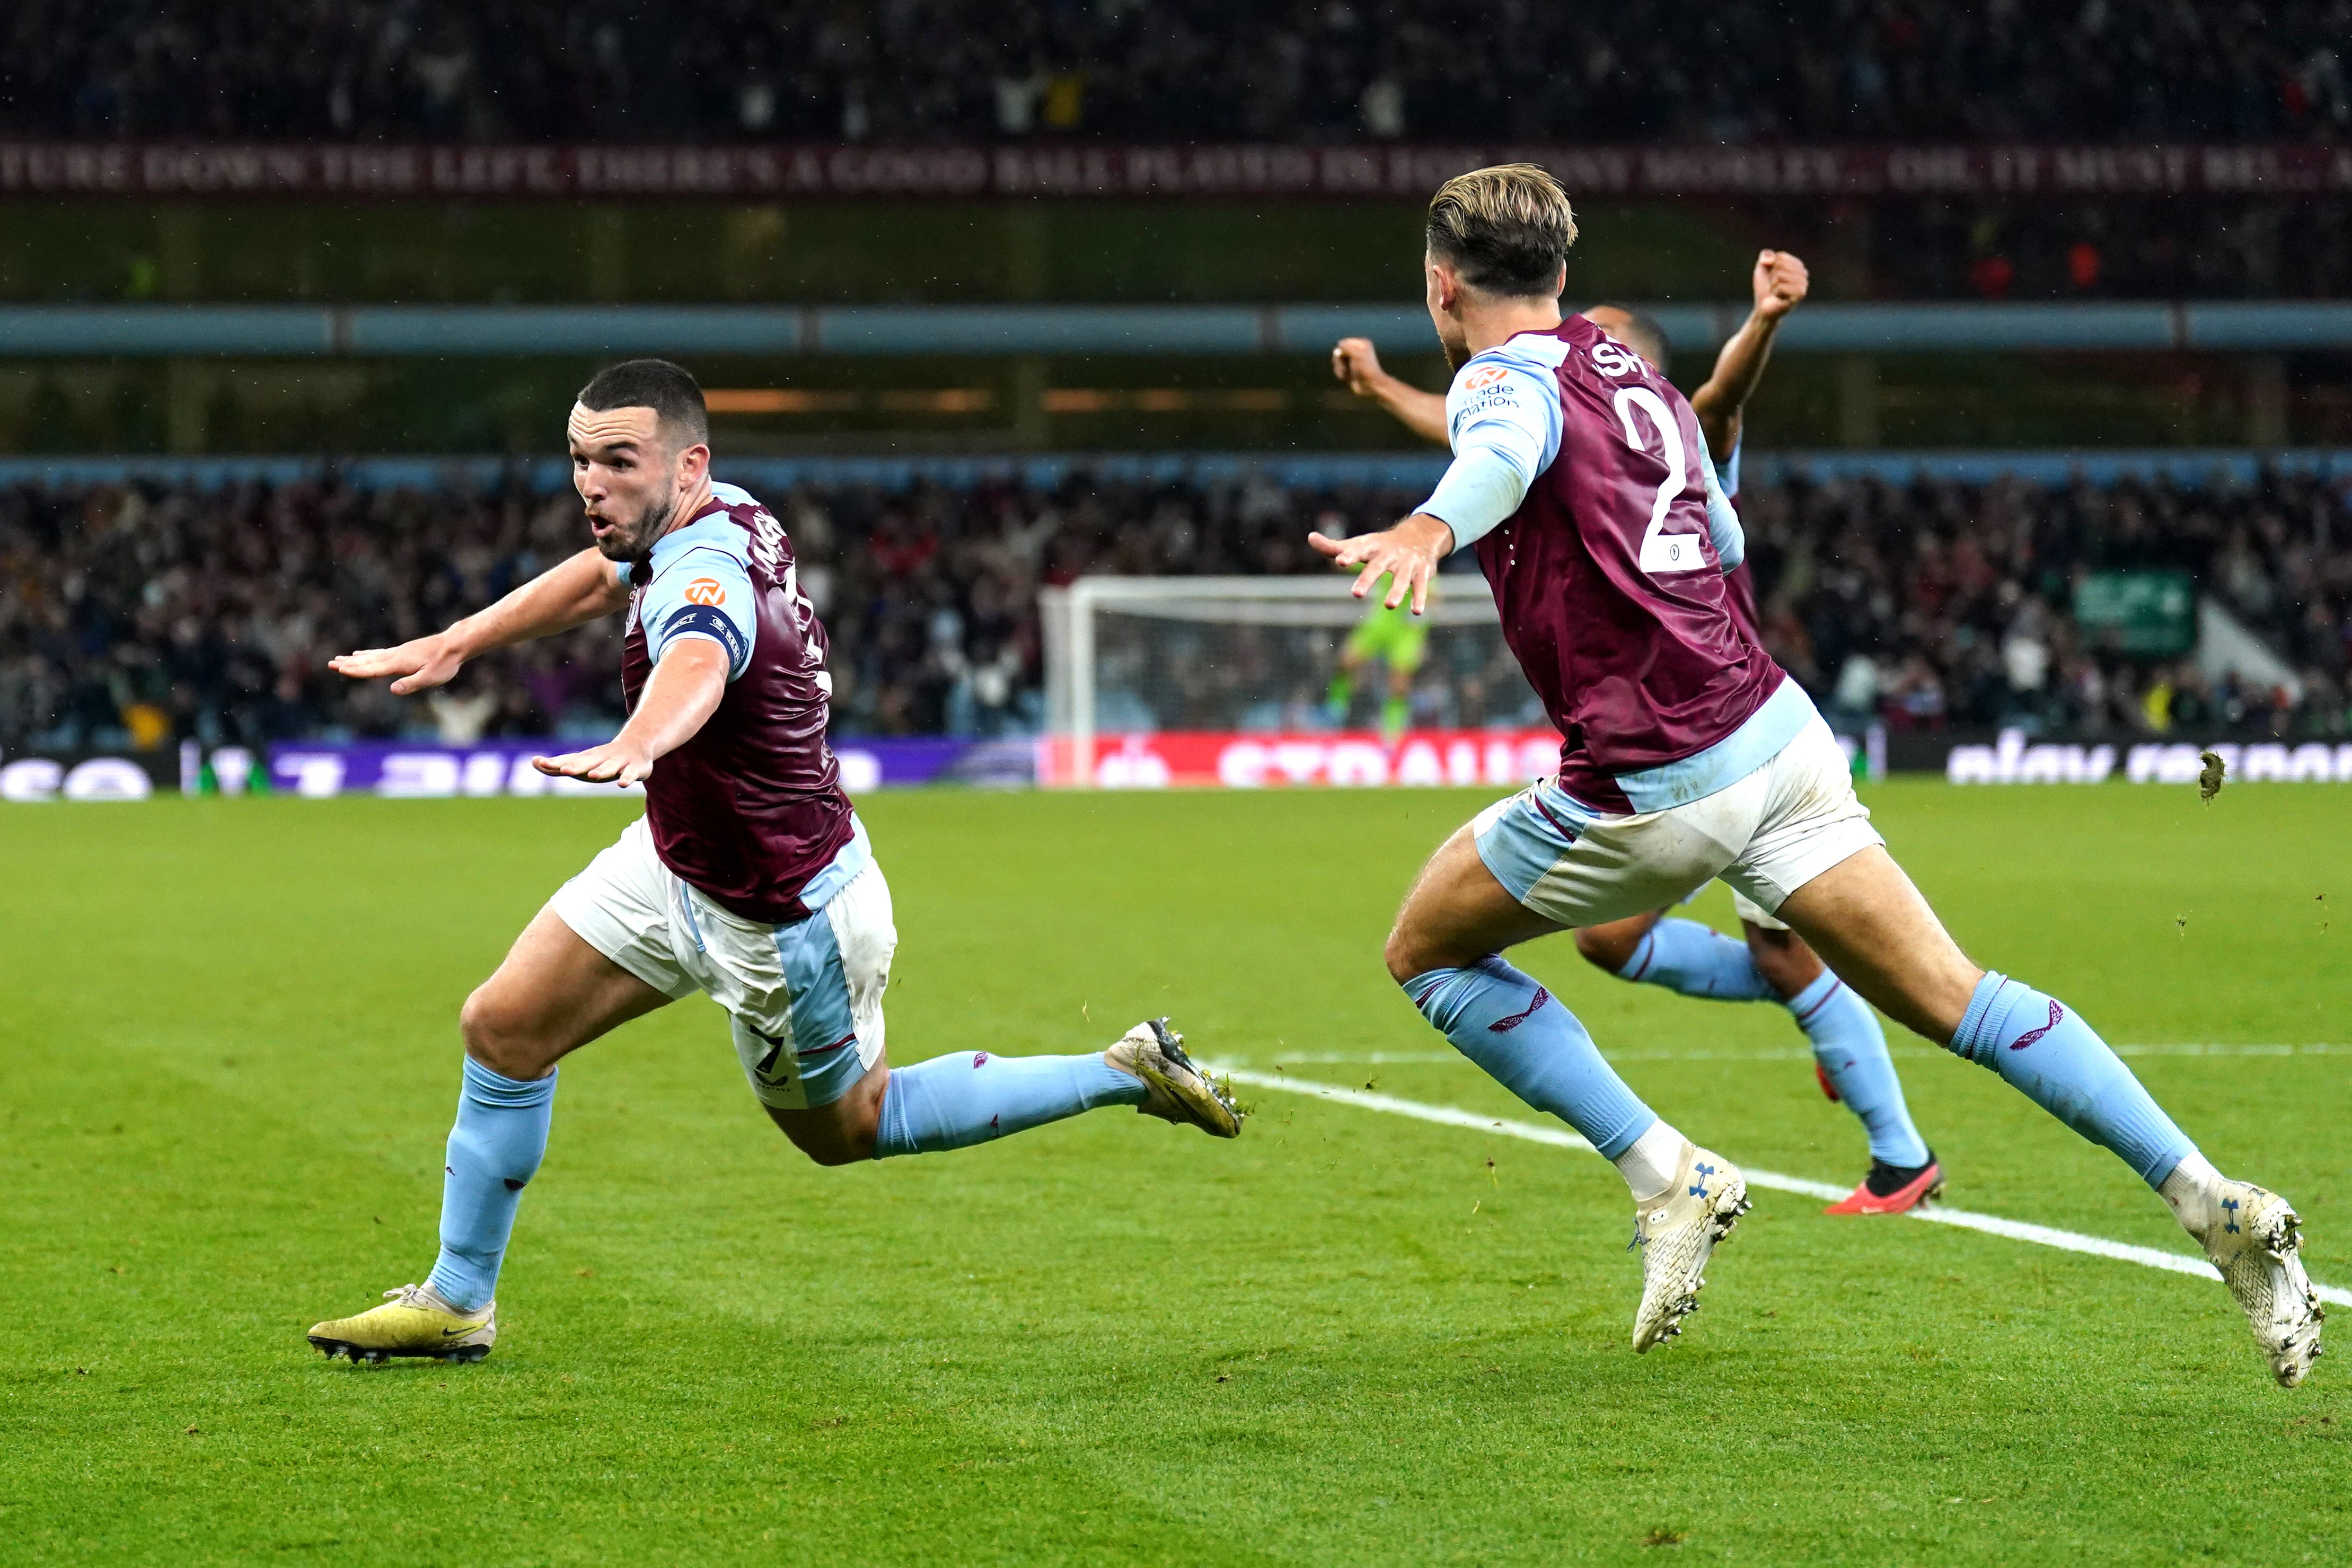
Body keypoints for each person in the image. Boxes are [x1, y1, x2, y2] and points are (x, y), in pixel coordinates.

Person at [1310, 165, 2320, 1382]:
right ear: (1564, 278)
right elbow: (1722, 542)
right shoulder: (1642, 383)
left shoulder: (1498, 379)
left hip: (1656, 774)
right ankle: (2209, 1202)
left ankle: (1664, 1175)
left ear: (1438, 286)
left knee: (1424, 954)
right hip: (1778, 736)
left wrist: (1428, 526)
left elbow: (1502, 450)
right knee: (1960, 999)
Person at [305, 359, 1243, 1364]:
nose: (592, 484)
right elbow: (602, 576)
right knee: (502, 1025)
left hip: (784, 915)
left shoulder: (706, 574)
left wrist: (646, 738)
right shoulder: (718, 514)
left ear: (687, 462)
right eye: (580, 460)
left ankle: (1120, 1069)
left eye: (618, 461)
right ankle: (457, 1300)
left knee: (849, 1128)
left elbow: (699, 658)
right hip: (676, 860)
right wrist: (460, 639)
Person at [1334, 256, 1941, 1216]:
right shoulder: (1572, 424)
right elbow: (1484, 442)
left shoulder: (1677, 427)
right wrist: (1381, 391)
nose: (1573, 343)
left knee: (1800, 960)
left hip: (1725, 731)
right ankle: (1828, 1015)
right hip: (1696, 738)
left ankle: (1895, 1148)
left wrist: (1763, 320)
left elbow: (1722, 392)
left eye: (1596, 336)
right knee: (1613, 944)